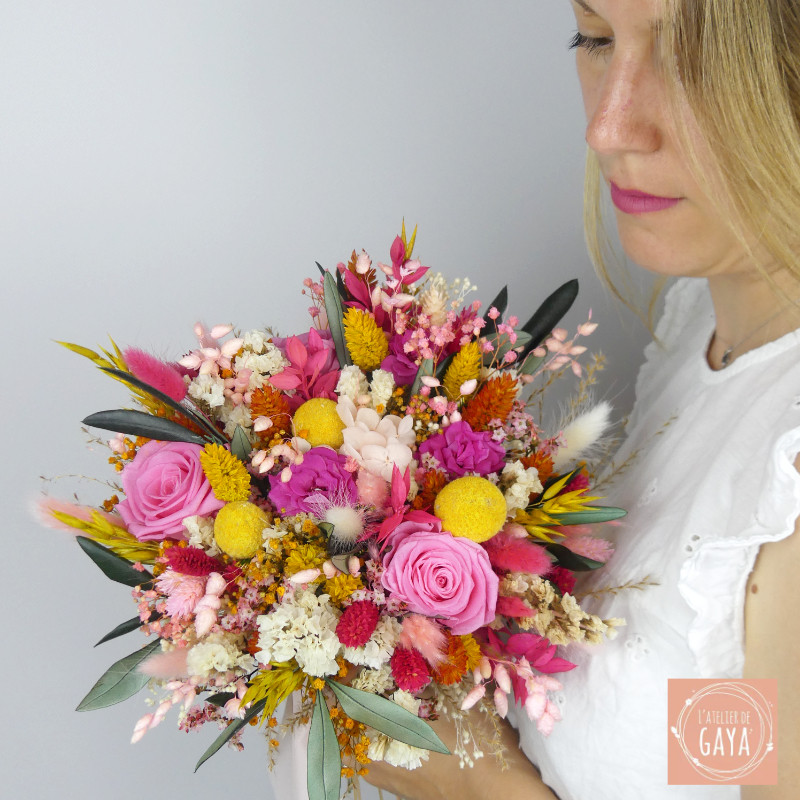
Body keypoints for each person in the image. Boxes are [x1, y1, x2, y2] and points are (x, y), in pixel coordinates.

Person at [363, 0, 800, 798]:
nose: (609, 126)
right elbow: (717, 750)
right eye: (594, 38)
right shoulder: (702, 312)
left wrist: (476, 780)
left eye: (695, 59)